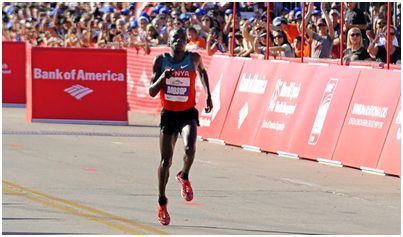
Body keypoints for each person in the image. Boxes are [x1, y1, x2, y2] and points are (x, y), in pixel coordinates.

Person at [148, 27, 213, 226]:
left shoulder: (193, 58)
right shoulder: (161, 61)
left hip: (187, 113)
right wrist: (162, 78)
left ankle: (184, 175)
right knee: (165, 161)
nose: (179, 40)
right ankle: (162, 201)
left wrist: (209, 95)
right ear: (169, 41)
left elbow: (203, 72)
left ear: (187, 42)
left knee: (189, 148)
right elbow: (151, 91)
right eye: (175, 37)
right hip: (168, 115)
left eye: (183, 38)